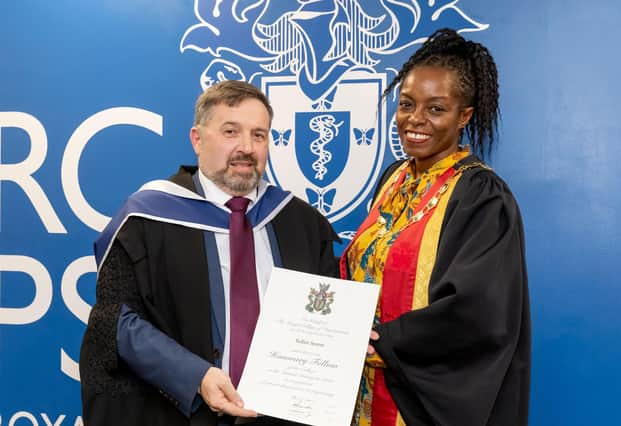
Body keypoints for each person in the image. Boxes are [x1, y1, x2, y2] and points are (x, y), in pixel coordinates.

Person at [80, 80, 339, 426]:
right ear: (197, 139)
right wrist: (195, 375)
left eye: (259, 135)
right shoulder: (145, 219)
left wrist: (344, 334)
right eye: (231, 131)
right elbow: (116, 321)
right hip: (182, 411)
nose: (246, 147)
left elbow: (324, 316)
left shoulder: (300, 223)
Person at [340, 28, 530, 426]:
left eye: (436, 108)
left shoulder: (481, 196)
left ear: (465, 116)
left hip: (413, 401)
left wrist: (383, 342)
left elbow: (479, 312)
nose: (415, 119)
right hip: (359, 387)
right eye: (406, 104)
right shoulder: (394, 179)